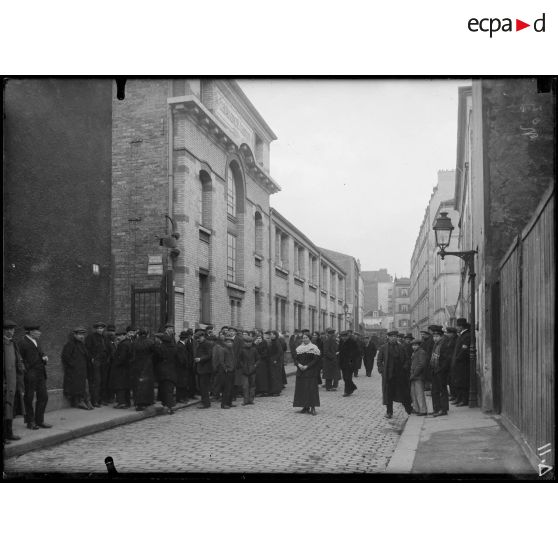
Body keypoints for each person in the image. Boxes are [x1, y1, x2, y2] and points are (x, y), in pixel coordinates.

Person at [19, 325, 52, 429]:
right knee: (29, 398)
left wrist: (44, 357)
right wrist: (26, 371)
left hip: (41, 373)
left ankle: (39, 420)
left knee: (43, 397)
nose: (39, 333)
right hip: (30, 374)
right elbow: (20, 359)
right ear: (30, 332)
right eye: (37, 331)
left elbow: (40, 354)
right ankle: (30, 422)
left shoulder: (37, 341)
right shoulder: (22, 343)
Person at [377, 330, 413, 419]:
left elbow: (407, 359)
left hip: (400, 374)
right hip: (389, 375)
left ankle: (409, 409)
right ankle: (389, 412)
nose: (394, 338)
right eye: (392, 336)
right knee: (388, 394)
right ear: (388, 337)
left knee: (404, 393)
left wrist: (405, 367)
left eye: (395, 336)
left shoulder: (401, 347)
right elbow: (379, 361)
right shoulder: (383, 348)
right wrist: (381, 370)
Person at [62, 327, 93, 410]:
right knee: (77, 386)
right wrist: (74, 365)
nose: (81, 336)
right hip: (74, 371)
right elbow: (66, 357)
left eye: (83, 334)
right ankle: (79, 402)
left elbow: (86, 355)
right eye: (79, 334)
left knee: (84, 386)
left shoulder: (82, 344)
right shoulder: (70, 344)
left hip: (83, 370)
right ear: (75, 335)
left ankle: (87, 401)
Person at [3, 320, 25, 442]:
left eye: (12, 330)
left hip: (13, 381)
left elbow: (18, 360)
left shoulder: (13, 343)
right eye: (8, 330)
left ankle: (9, 433)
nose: (11, 332)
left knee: (10, 408)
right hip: (5, 382)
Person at [293, 333, 321, 415]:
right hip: (301, 371)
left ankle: (312, 407)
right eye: (303, 338)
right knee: (302, 389)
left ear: (310, 338)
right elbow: (295, 359)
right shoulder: (299, 348)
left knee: (311, 389)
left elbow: (315, 360)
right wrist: (298, 365)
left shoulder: (314, 348)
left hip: (310, 371)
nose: (304, 339)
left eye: (306, 337)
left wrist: (307, 366)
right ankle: (305, 407)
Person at [85, 322, 110, 407]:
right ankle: (95, 401)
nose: (100, 330)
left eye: (102, 328)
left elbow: (108, 348)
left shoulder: (105, 338)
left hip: (104, 361)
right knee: (97, 381)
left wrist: (108, 357)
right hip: (96, 361)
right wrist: (91, 358)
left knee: (104, 380)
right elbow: (87, 349)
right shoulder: (91, 337)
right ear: (96, 329)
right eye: (98, 328)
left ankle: (102, 400)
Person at [152, 332, 177, 414]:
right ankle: (168, 406)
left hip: (162, 372)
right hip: (172, 371)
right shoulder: (174, 348)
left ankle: (168, 407)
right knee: (169, 390)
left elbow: (155, 359)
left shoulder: (160, 348)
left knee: (164, 389)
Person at [429, 326, 451, 417]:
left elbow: (446, 360)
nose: (435, 338)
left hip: (441, 371)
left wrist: (441, 370)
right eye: (434, 336)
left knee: (442, 391)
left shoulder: (444, 345)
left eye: (437, 336)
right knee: (434, 391)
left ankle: (443, 409)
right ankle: (436, 408)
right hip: (435, 370)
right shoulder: (436, 345)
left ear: (441, 336)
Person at [132, 328, 155, 411]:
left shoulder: (134, 342)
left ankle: (138, 403)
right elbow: (155, 353)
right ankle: (147, 401)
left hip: (137, 366)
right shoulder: (150, 342)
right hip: (147, 366)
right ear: (147, 334)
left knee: (138, 384)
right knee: (147, 384)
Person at [111, 328, 134, 409]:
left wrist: (116, 363)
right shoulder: (129, 343)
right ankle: (127, 402)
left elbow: (122, 357)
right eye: (117, 336)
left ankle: (121, 402)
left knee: (120, 386)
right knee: (126, 386)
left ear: (124, 335)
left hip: (121, 368)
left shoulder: (123, 344)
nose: (118, 337)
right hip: (127, 368)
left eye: (120, 336)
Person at [212, 332, 236, 409]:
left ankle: (229, 403)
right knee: (226, 388)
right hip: (226, 372)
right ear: (225, 342)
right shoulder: (223, 350)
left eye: (231, 342)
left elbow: (233, 360)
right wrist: (225, 368)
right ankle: (224, 404)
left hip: (232, 370)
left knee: (231, 388)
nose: (230, 343)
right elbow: (221, 361)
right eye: (228, 342)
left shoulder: (231, 350)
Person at [452, 318, 471, 407]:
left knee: (463, 381)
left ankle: (464, 400)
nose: (456, 328)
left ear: (461, 326)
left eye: (457, 326)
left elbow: (464, 349)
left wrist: (457, 359)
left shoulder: (467, 335)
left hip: (463, 363)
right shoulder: (461, 335)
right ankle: (459, 398)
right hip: (459, 363)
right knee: (458, 381)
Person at [194, 329, 213, 409]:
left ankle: (206, 403)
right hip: (201, 368)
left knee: (204, 387)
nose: (198, 340)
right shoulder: (200, 343)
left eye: (199, 338)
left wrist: (200, 359)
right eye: (197, 338)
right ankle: (204, 401)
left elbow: (209, 355)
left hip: (205, 368)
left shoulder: (207, 344)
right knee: (202, 386)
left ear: (203, 336)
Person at [409, 338, 428, 416]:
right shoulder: (415, 352)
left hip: (418, 376)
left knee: (419, 393)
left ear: (419, 345)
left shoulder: (421, 352)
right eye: (413, 345)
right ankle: (417, 408)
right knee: (413, 393)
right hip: (414, 376)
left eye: (416, 345)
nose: (414, 347)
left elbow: (421, 364)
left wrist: (414, 374)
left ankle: (423, 410)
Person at [239, 333, 258, 405]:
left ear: (252, 342)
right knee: (245, 386)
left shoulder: (254, 350)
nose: (248, 344)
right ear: (244, 342)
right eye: (247, 342)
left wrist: (255, 365)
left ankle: (251, 399)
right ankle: (245, 400)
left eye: (250, 342)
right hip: (244, 371)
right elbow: (239, 360)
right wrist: (242, 366)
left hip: (253, 370)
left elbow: (258, 359)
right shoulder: (242, 350)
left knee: (252, 386)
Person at [338, 330, 359, 396]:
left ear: (348, 336)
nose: (343, 338)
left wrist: (351, 359)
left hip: (350, 363)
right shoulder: (341, 342)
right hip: (343, 363)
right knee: (345, 377)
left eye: (345, 336)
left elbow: (356, 352)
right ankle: (352, 387)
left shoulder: (352, 342)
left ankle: (347, 391)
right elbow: (340, 350)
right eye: (342, 336)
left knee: (348, 377)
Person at [176, 330, 193, 403]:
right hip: (181, 368)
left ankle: (182, 397)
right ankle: (180, 398)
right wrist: (186, 364)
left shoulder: (180, 345)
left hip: (181, 368)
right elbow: (181, 358)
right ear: (186, 339)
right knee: (181, 383)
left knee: (183, 383)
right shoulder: (180, 346)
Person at [267, 330, 284, 396]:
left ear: (275, 335)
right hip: (271, 361)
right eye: (270, 334)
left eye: (272, 334)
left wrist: (275, 359)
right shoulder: (272, 342)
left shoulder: (277, 342)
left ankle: (276, 391)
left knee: (276, 376)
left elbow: (280, 352)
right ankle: (272, 390)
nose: (271, 335)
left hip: (275, 362)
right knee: (272, 376)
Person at [443, 327, 458, 401]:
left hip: (453, 362)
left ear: (453, 333)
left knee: (454, 380)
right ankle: (453, 395)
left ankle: (455, 395)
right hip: (449, 362)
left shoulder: (456, 339)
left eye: (449, 333)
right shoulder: (449, 339)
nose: (447, 334)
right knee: (450, 380)